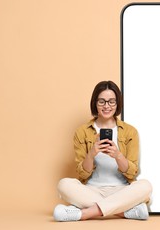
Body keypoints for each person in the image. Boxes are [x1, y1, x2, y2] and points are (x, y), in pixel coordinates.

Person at [53, 80, 152, 221]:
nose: (107, 106)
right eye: (102, 102)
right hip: (92, 190)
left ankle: (83, 214)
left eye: (112, 101)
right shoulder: (82, 132)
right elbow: (82, 172)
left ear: (117, 103)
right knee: (64, 184)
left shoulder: (130, 132)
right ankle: (124, 212)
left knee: (145, 186)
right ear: (95, 103)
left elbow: (132, 172)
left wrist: (118, 155)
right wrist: (92, 153)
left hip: (121, 190)